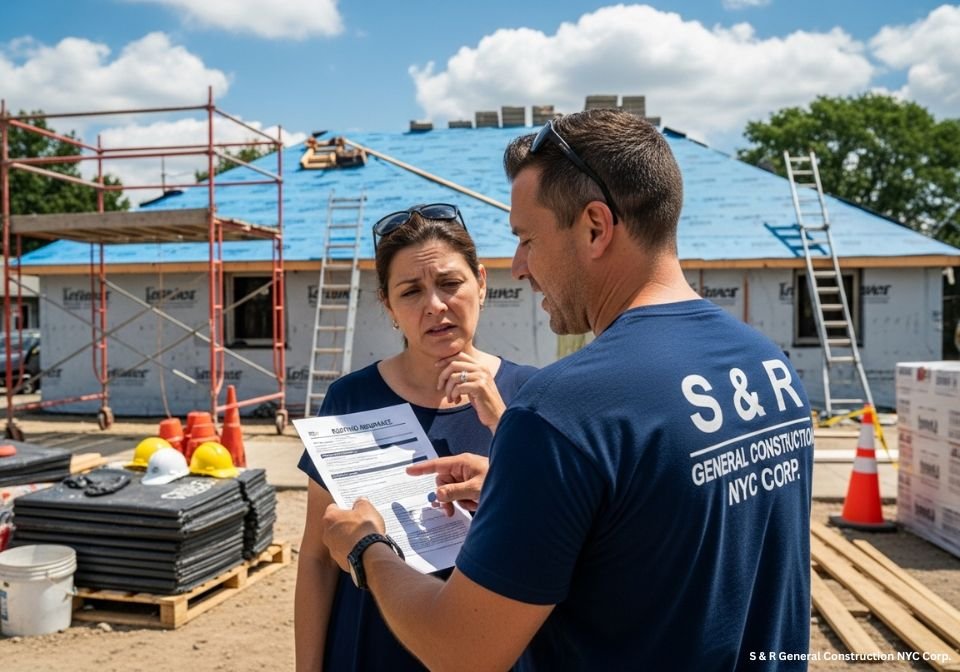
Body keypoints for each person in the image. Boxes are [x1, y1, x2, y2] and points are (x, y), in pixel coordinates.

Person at [319, 110, 814, 671]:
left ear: (595, 228)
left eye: (527, 239)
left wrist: (366, 549)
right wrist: (533, 495)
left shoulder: (562, 409)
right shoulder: (768, 365)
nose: (521, 267)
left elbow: (462, 651)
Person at [294, 203, 537, 671]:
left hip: (487, 650)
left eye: (450, 283)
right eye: (410, 291)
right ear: (388, 306)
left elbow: (555, 542)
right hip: (368, 644)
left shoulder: (531, 396)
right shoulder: (350, 399)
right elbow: (318, 558)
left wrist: (501, 423)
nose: (434, 305)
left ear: (482, 283)